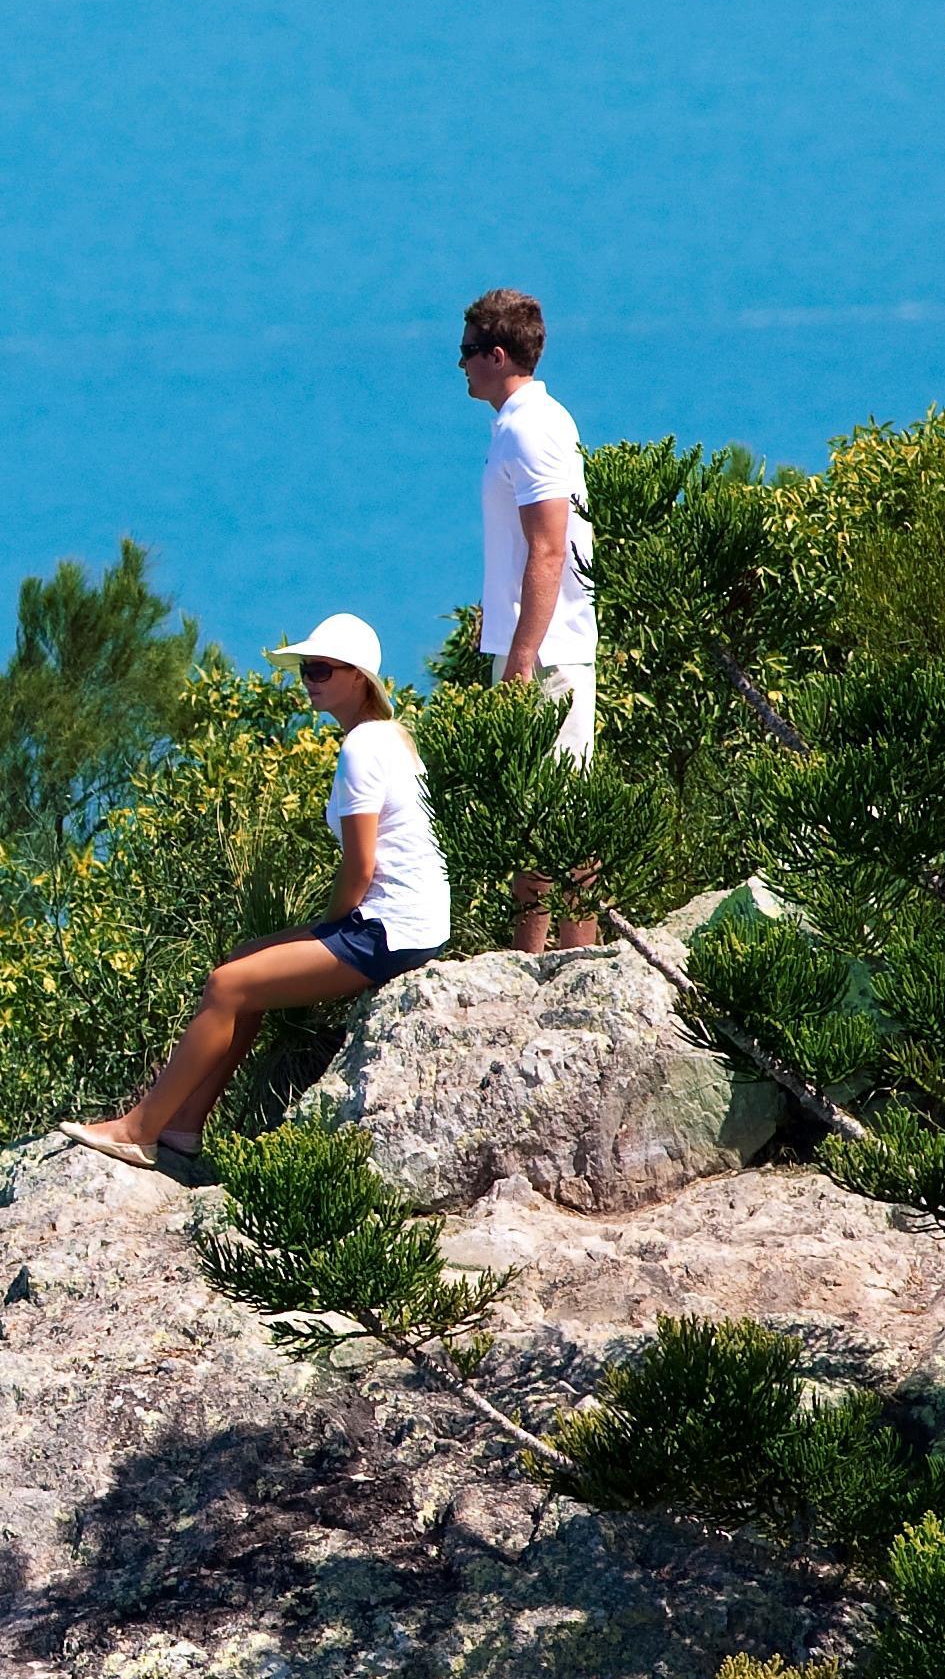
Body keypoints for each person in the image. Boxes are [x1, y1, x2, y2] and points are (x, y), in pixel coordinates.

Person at [67, 614, 449, 1177]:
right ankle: (183, 1125)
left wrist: (328, 925)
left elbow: (361, 865)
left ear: (358, 678)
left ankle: (139, 1129)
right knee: (242, 965)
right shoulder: (386, 737)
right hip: (407, 924)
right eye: (304, 670)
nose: (308, 680)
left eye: (320, 669)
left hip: (387, 931)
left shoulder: (362, 748)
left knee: (226, 985)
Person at [463, 285, 604, 952]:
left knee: (552, 815)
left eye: (467, 353)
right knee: (543, 812)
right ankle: (553, 957)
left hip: (547, 655)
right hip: (540, 643)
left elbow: (550, 547)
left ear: (496, 354)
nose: (459, 365)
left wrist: (521, 656)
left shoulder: (527, 429)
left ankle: (560, 961)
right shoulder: (527, 423)